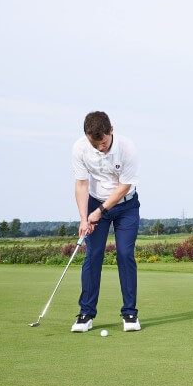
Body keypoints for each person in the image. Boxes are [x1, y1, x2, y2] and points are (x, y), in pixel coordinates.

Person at [70, 111, 141, 332]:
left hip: (126, 206)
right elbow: (81, 184)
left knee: (124, 254)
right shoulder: (80, 148)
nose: (100, 148)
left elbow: (124, 187)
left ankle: (129, 313)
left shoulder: (127, 148)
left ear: (111, 130)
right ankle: (86, 314)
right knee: (93, 255)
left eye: (102, 143)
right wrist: (84, 218)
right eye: (95, 144)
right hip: (94, 202)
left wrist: (100, 211)